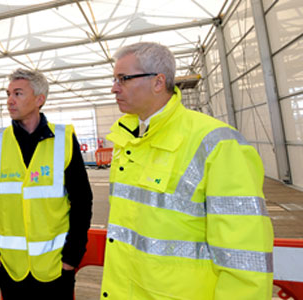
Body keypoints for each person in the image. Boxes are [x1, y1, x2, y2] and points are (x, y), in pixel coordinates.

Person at [100, 42, 274, 299]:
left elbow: (244, 255)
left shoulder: (218, 143)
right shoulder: (128, 140)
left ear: (158, 82)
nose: (114, 88)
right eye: (114, 79)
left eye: (123, 79)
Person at [0, 68, 93, 299]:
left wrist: (72, 258)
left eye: (18, 94)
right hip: (11, 268)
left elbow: (82, 201)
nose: (10, 101)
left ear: (39, 99)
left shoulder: (64, 138)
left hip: (55, 268)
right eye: (8, 94)